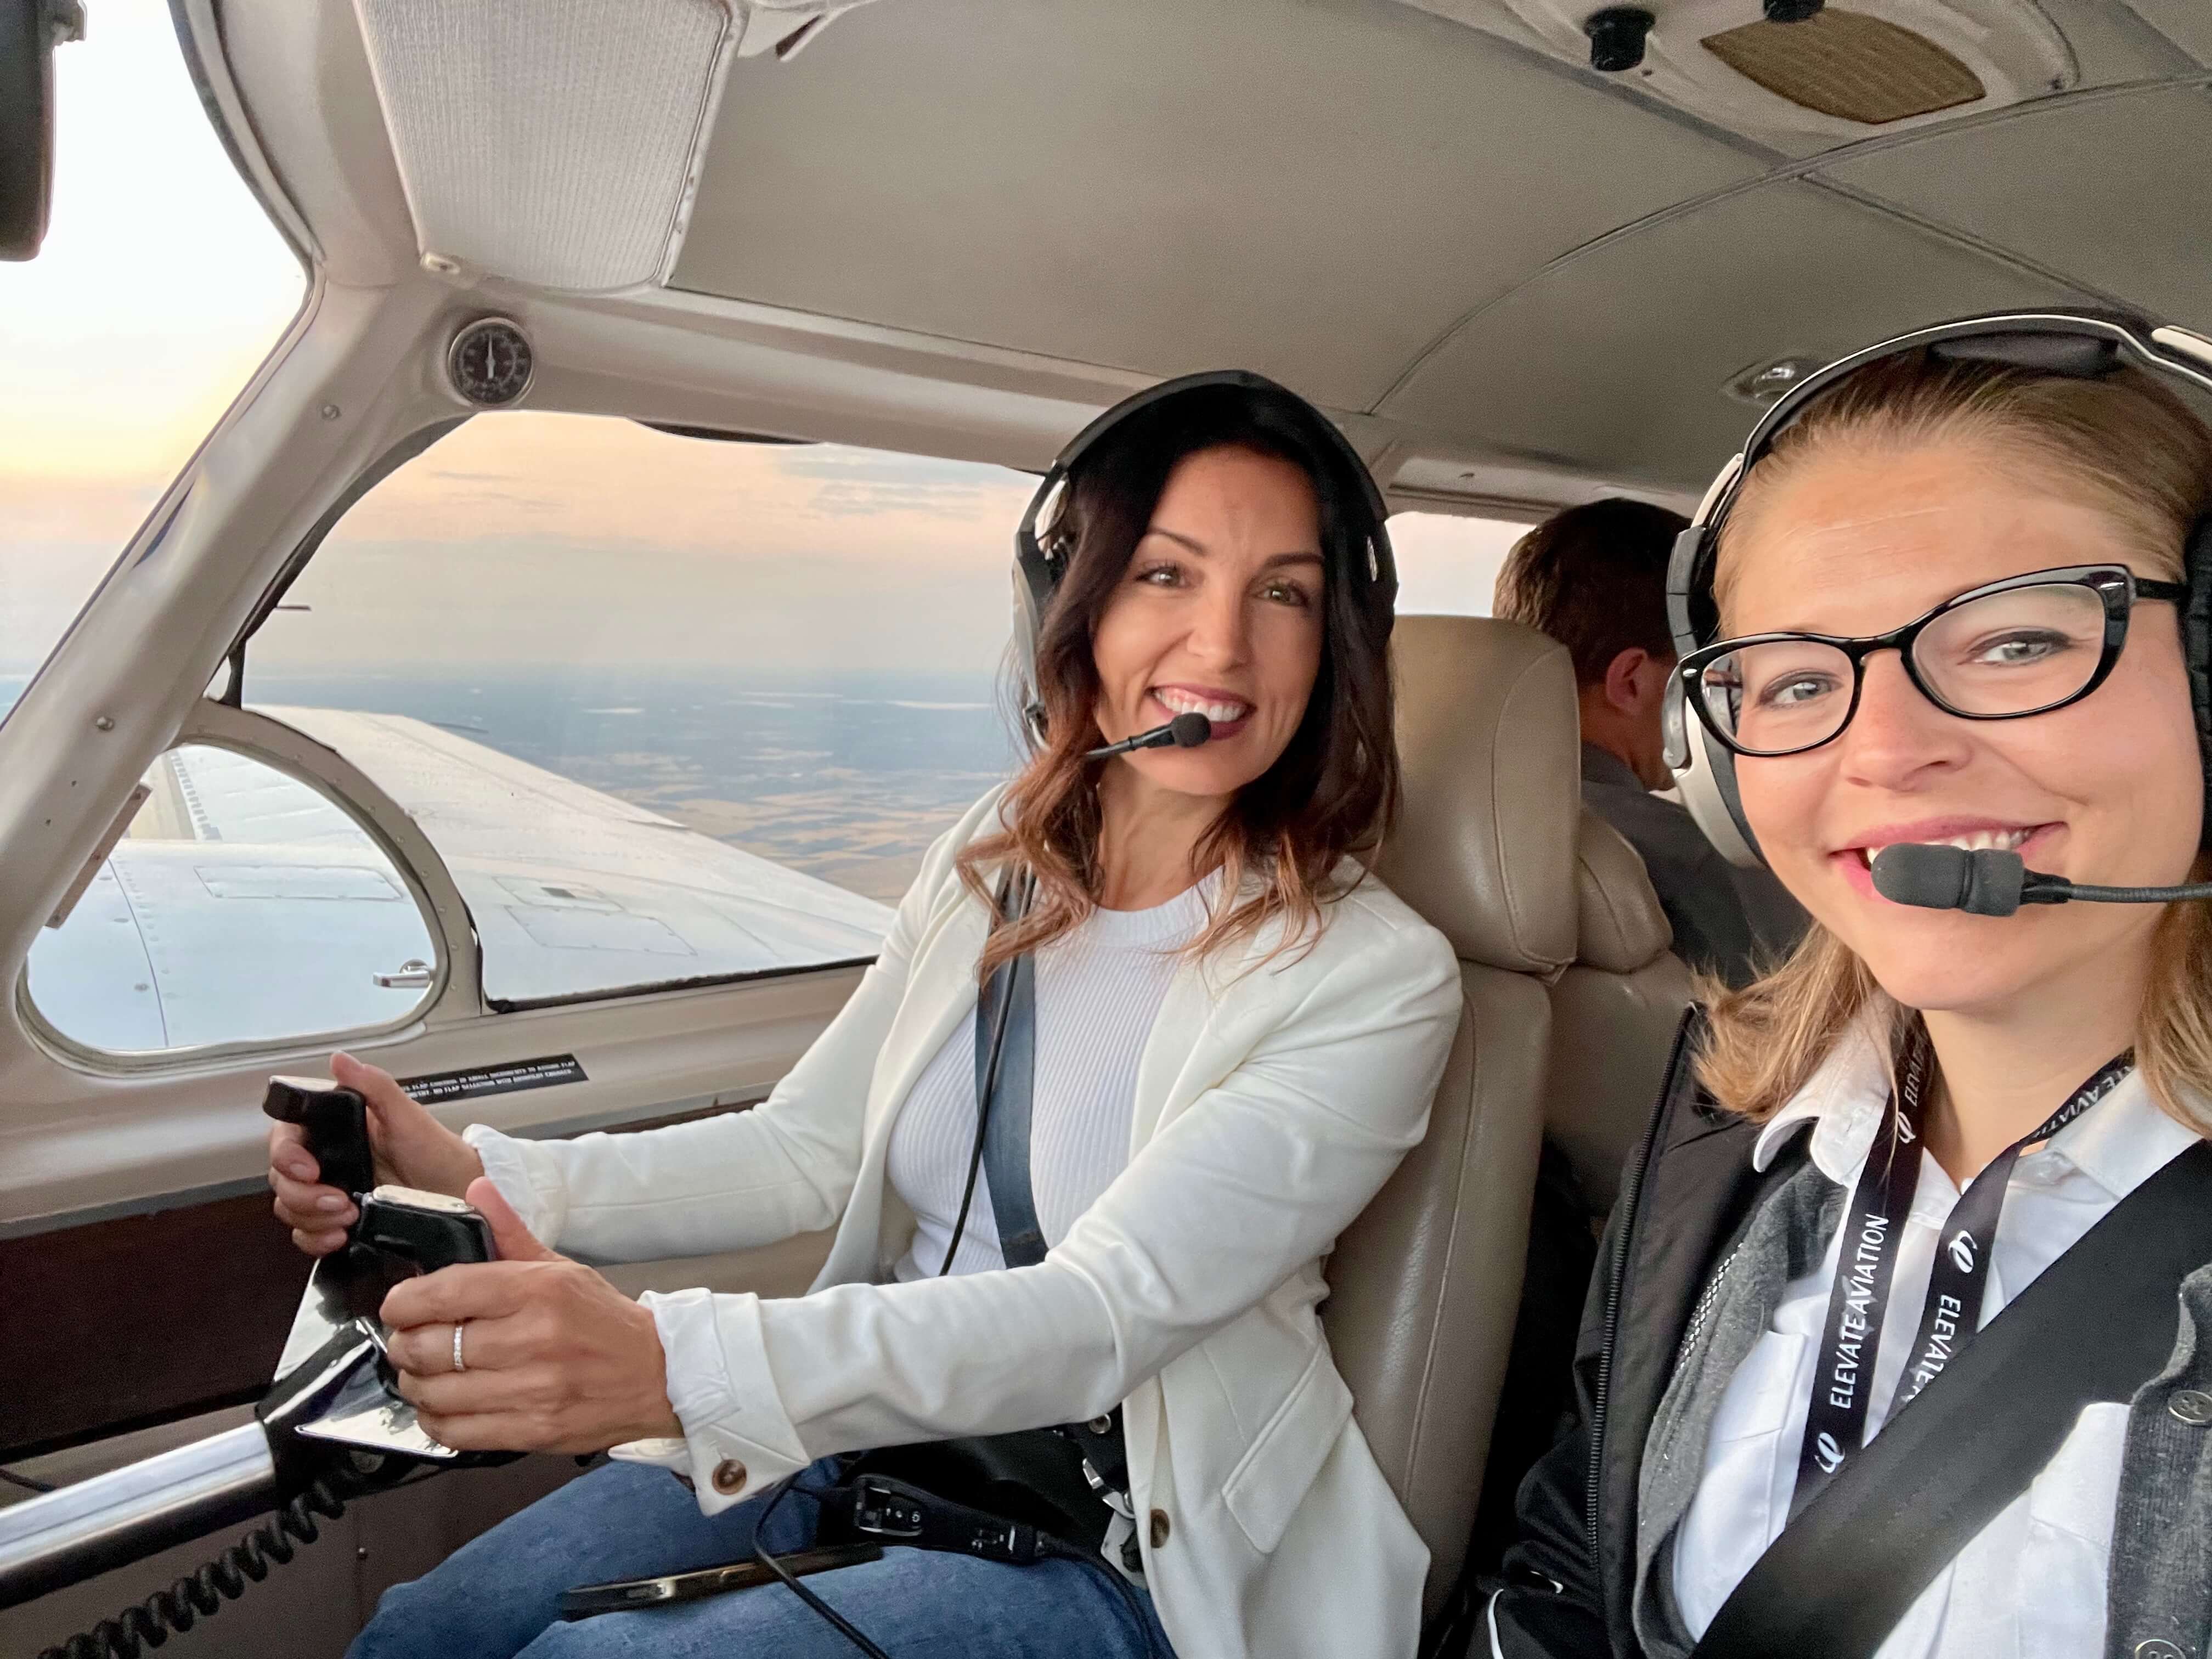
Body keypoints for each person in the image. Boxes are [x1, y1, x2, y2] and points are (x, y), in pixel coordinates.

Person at [267, 375, 1462, 1659]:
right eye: (1166, 574)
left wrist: (673, 1363)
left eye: (1284, 594)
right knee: (426, 1632)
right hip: (875, 1449)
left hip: (1128, 1544)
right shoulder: (997, 862)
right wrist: (481, 1173)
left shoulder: (1372, 979)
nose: (1221, 648)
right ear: (1070, 602)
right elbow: (808, 1148)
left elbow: (1101, 1317)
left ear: (1333, 643)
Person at [1486, 314, 2212, 1657]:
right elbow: (1570, 1563)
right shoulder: (1724, 1125)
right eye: (1799, 679)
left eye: (2014, 643)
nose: (1883, 751)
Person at [1493, 499, 1804, 985]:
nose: (1723, 708)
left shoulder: (1429, 822)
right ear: (1632, 682)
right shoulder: (1692, 858)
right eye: (1708, 676)